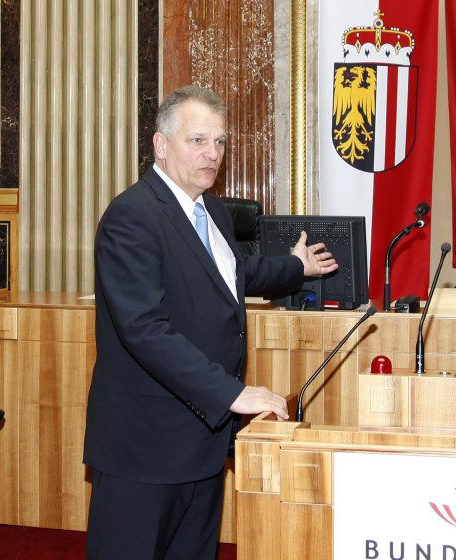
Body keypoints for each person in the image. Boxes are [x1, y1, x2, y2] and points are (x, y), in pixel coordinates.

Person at [83, 85, 338, 559]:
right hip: (147, 445)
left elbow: (234, 273)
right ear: (161, 145)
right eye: (197, 140)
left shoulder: (211, 209)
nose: (212, 154)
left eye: (219, 142)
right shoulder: (131, 217)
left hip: (202, 439)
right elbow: (144, 328)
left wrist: (295, 266)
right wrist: (232, 393)